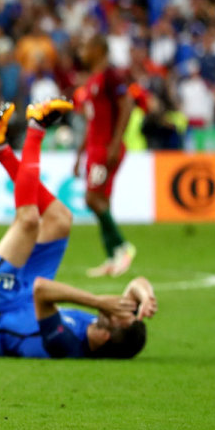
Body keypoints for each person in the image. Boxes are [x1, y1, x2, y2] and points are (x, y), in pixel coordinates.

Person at [0, 101, 157, 359]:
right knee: (60, 219)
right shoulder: (99, 326)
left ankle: (36, 126)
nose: (116, 312)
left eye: (117, 318)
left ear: (104, 337)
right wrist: (145, 296)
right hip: (24, 298)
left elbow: (42, 290)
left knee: (29, 221)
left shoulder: (64, 343)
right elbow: (137, 284)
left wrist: (99, 302)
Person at [72, 35, 137, 277]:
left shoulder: (111, 76)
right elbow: (92, 122)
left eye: (86, 46)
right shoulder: (92, 80)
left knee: (91, 198)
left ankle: (122, 246)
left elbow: (127, 104)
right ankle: (112, 257)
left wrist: (115, 143)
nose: (82, 52)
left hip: (105, 149)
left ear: (99, 49)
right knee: (102, 201)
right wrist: (79, 155)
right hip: (94, 149)